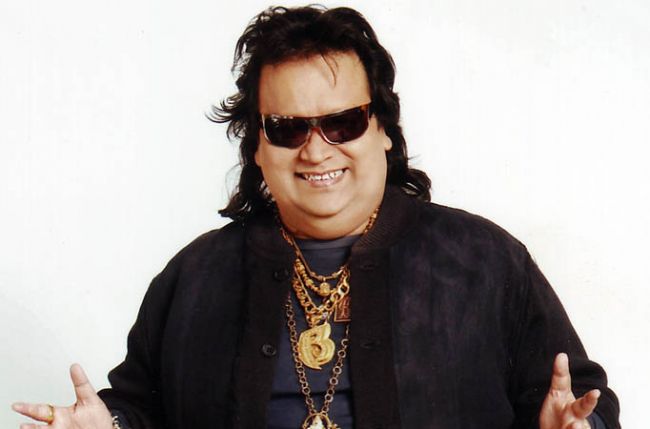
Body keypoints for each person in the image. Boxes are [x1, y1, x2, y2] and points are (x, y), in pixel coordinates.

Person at [12, 5, 620, 429]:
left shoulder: (485, 262)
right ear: (257, 146)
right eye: (287, 128)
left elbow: (581, 400)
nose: (316, 150)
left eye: (342, 122)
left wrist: (577, 427)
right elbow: (140, 408)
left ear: (383, 129)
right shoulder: (195, 276)